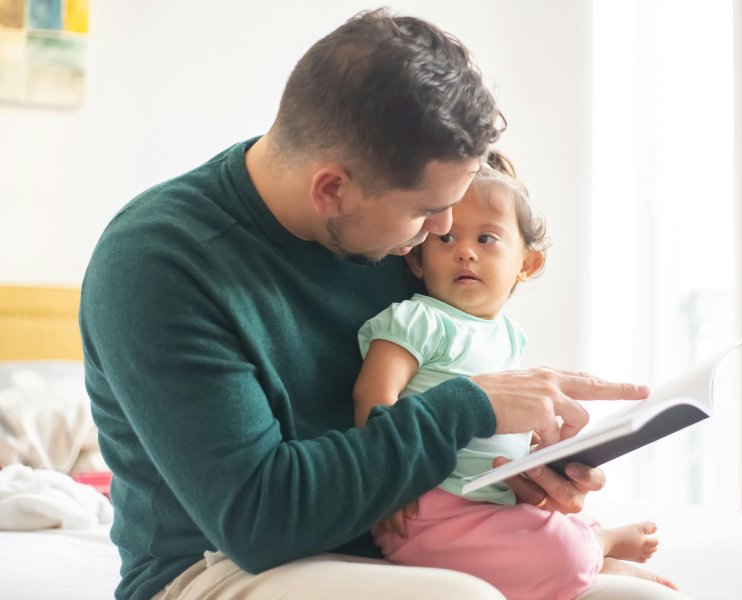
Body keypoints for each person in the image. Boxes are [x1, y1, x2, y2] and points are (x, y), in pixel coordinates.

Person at [80, 8, 690, 600]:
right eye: (428, 211)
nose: (443, 231)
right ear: (332, 190)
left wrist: (521, 470)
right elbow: (261, 521)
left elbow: (436, 413)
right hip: (219, 564)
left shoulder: (395, 235)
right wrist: (469, 410)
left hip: (416, 540)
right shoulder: (159, 264)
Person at [353, 152, 678, 600]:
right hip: (427, 510)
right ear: (417, 262)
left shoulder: (508, 337)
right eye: (446, 238)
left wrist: (537, 453)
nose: (465, 250)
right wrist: (389, 481)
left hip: (492, 501)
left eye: (486, 238)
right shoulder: (417, 320)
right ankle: (595, 552)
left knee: (563, 521)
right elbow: (373, 394)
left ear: (527, 264)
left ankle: (592, 548)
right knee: (561, 549)